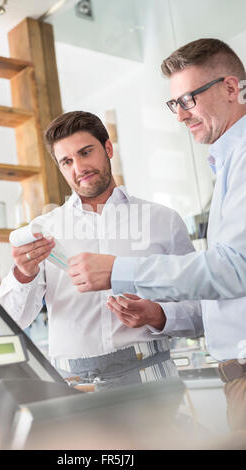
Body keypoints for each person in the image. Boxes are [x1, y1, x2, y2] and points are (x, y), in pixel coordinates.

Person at [68, 39, 246, 429]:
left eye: (189, 100)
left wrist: (118, 270)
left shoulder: (168, 213)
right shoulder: (227, 163)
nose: (180, 116)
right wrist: (159, 314)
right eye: (174, 104)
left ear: (231, 89)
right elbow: (214, 300)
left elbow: (234, 269)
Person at [0, 111, 203, 391]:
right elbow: (10, 322)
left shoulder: (162, 221)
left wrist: (157, 314)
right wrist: (23, 274)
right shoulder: (44, 229)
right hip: (73, 388)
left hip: (151, 377)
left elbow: (202, 313)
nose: (79, 167)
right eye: (67, 161)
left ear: (107, 148)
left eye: (85, 152)